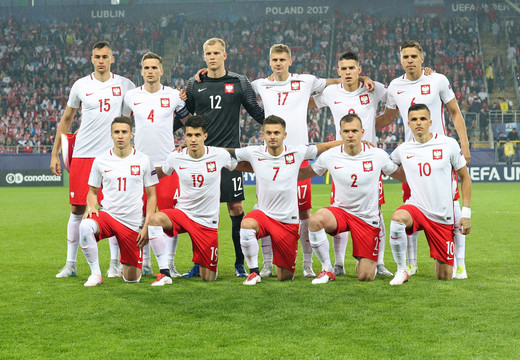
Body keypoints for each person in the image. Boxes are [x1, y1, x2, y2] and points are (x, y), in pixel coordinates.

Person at [250, 44, 374, 279]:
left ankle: (307, 265)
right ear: (269, 62)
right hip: (271, 158)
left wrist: (363, 76)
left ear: (290, 60)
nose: (278, 63)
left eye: (282, 59)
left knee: (304, 212)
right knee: (265, 211)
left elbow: (337, 80)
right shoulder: (259, 84)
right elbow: (235, 87)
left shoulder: (306, 81)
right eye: (274, 59)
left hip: (299, 157)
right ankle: (266, 264)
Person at [376, 40, 470, 279]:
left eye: (413, 56)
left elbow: (454, 112)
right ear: (400, 60)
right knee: (410, 206)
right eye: (405, 56)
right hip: (411, 157)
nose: (409, 60)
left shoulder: (437, 79)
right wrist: (362, 127)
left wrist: (464, 145)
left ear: (422, 59)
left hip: (439, 154)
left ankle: (460, 263)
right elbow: (387, 117)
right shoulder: (395, 86)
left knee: (453, 205)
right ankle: (411, 264)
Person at [50, 41, 135, 279]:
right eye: (97, 56)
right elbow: (67, 119)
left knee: (114, 210)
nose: (101, 60)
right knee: (77, 208)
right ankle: (71, 264)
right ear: (91, 58)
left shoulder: (125, 84)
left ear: (112, 59)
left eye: (105, 56)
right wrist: (55, 153)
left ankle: (114, 264)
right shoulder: (80, 85)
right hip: (84, 155)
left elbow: (143, 102)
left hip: (113, 157)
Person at [184, 38, 265, 278]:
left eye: (216, 53)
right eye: (208, 53)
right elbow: (185, 115)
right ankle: (199, 263)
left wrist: (280, 127)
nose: (212, 57)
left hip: (230, 157)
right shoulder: (193, 84)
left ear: (225, 55)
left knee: (236, 207)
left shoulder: (239, 81)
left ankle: (240, 263)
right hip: (202, 158)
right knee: (199, 212)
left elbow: (255, 111)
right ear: (203, 55)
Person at [228, 115, 341, 285]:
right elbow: (227, 153)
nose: (272, 136)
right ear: (263, 135)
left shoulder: (296, 152)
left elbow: (323, 147)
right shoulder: (254, 152)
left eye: (276, 132)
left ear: (284, 135)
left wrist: (351, 142)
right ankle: (254, 272)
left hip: (288, 221)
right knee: (246, 224)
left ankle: (287, 265)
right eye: (269, 133)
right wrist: (201, 148)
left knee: (285, 276)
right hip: (264, 215)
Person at [311, 51, 393, 277]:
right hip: (342, 161)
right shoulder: (330, 92)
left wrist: (382, 123)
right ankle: (338, 263)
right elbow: (309, 103)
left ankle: (380, 262)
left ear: (359, 69)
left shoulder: (373, 89)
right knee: (340, 208)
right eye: (343, 69)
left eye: (351, 68)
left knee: (376, 211)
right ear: (338, 71)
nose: (348, 72)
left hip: (369, 162)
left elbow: (395, 99)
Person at [298, 114, 405, 284]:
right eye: (346, 131)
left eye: (354, 130)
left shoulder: (378, 155)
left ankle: (364, 261)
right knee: (315, 220)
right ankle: (327, 269)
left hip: (367, 219)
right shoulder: (330, 155)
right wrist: (278, 166)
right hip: (341, 212)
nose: (350, 135)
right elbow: (305, 173)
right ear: (340, 133)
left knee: (365, 276)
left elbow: (401, 175)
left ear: (362, 132)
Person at [146, 116, 238, 284]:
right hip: (183, 214)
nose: (193, 139)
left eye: (197, 135)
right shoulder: (176, 157)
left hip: (206, 222)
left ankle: (206, 264)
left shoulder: (219, 155)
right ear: (184, 137)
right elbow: (161, 172)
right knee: (155, 220)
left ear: (205, 136)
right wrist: (140, 175)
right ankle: (165, 272)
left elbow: (237, 164)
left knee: (208, 278)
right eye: (189, 135)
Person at [122, 52, 190, 278]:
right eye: (146, 67)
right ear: (141, 71)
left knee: (169, 216)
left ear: (162, 70)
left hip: (167, 165)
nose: (150, 71)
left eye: (154, 67)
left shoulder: (173, 96)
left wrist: (185, 144)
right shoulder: (131, 96)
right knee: (140, 216)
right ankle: (147, 263)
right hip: (140, 165)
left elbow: (189, 123)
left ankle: (169, 264)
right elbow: (121, 123)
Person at [388, 104, 472, 285]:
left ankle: (455, 264)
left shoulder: (448, 144)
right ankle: (402, 269)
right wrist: (405, 177)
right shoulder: (403, 149)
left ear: (430, 122)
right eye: (414, 119)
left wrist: (466, 213)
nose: (419, 122)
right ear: (408, 124)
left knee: (444, 276)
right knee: (397, 218)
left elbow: (465, 178)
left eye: (423, 119)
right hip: (416, 208)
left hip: (442, 216)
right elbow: (387, 166)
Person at [79, 116, 158, 286]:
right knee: (85, 225)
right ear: (111, 135)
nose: (120, 136)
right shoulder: (100, 160)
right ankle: (95, 274)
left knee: (132, 279)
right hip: (108, 215)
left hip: (132, 223)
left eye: (124, 132)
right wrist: (91, 206)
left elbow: (152, 196)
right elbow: (92, 192)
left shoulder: (144, 159)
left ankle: (126, 263)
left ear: (131, 134)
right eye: (116, 132)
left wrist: (147, 226)